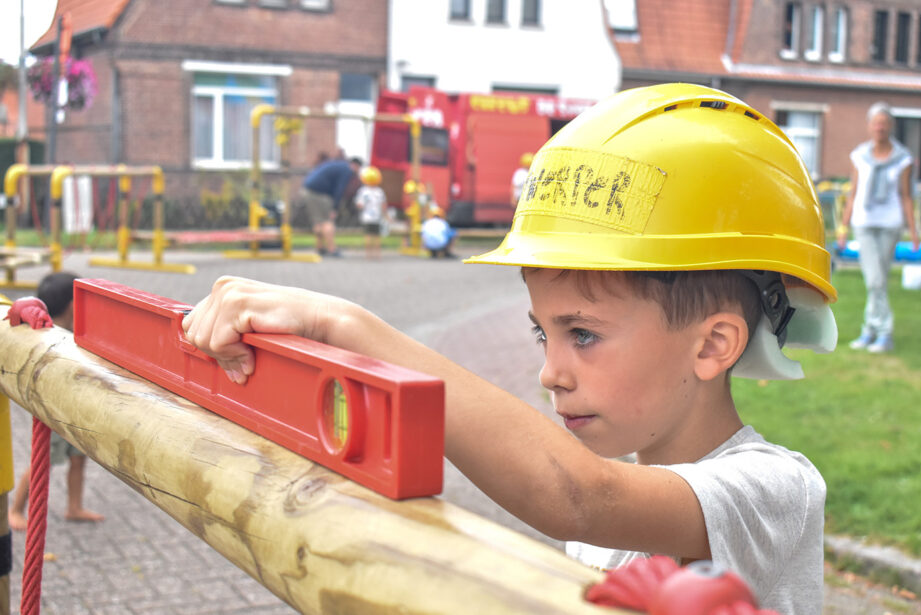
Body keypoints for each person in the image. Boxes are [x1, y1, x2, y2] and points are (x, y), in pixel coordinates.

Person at [181, 84, 838, 614]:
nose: (550, 371)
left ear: (714, 343)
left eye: (582, 333)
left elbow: (579, 493)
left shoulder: (775, 490)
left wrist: (340, 321)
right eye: (542, 332)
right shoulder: (599, 523)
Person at [9, 271, 105, 530]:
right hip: (52, 412)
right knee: (42, 463)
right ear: (75, 305)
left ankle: (74, 506)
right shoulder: (49, 334)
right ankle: (16, 510)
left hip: (75, 410)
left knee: (78, 458)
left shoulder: (76, 330)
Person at [838, 102, 920, 353]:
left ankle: (871, 331)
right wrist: (843, 227)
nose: (880, 127)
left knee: (878, 280)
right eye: (876, 123)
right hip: (863, 223)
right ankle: (882, 332)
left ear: (891, 126)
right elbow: (853, 193)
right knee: (874, 280)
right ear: (869, 126)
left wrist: (914, 230)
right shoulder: (859, 156)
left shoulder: (903, 158)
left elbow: (906, 196)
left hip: (889, 224)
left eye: (884, 123)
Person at [300, 156, 362, 257]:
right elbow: (339, 190)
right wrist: (335, 208)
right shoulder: (347, 170)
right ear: (355, 166)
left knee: (318, 221)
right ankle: (332, 249)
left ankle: (320, 248)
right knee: (327, 221)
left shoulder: (338, 165)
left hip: (307, 190)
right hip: (319, 193)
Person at [355, 166, 388, 260]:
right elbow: (383, 205)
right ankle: (377, 254)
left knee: (368, 235)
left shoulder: (363, 191)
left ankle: (368, 254)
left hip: (367, 217)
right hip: (377, 217)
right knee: (377, 236)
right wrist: (385, 215)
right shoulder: (379, 191)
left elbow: (359, 204)